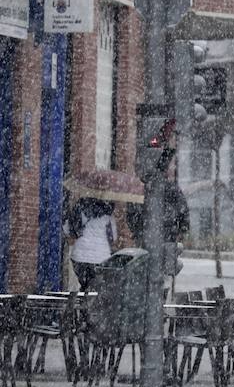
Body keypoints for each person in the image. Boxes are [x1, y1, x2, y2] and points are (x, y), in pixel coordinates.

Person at [127, 123, 191, 292]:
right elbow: (183, 213)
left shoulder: (141, 188)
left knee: (146, 277)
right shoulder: (171, 189)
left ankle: (153, 302)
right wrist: (180, 230)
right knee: (164, 279)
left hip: (147, 240)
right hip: (167, 239)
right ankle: (160, 303)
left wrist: (137, 230)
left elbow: (132, 212)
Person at [65, 197, 117, 291]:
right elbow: (113, 237)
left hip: (80, 256)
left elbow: (70, 231)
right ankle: (91, 300)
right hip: (101, 258)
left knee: (85, 284)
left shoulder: (79, 208)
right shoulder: (108, 214)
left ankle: (83, 297)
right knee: (95, 287)